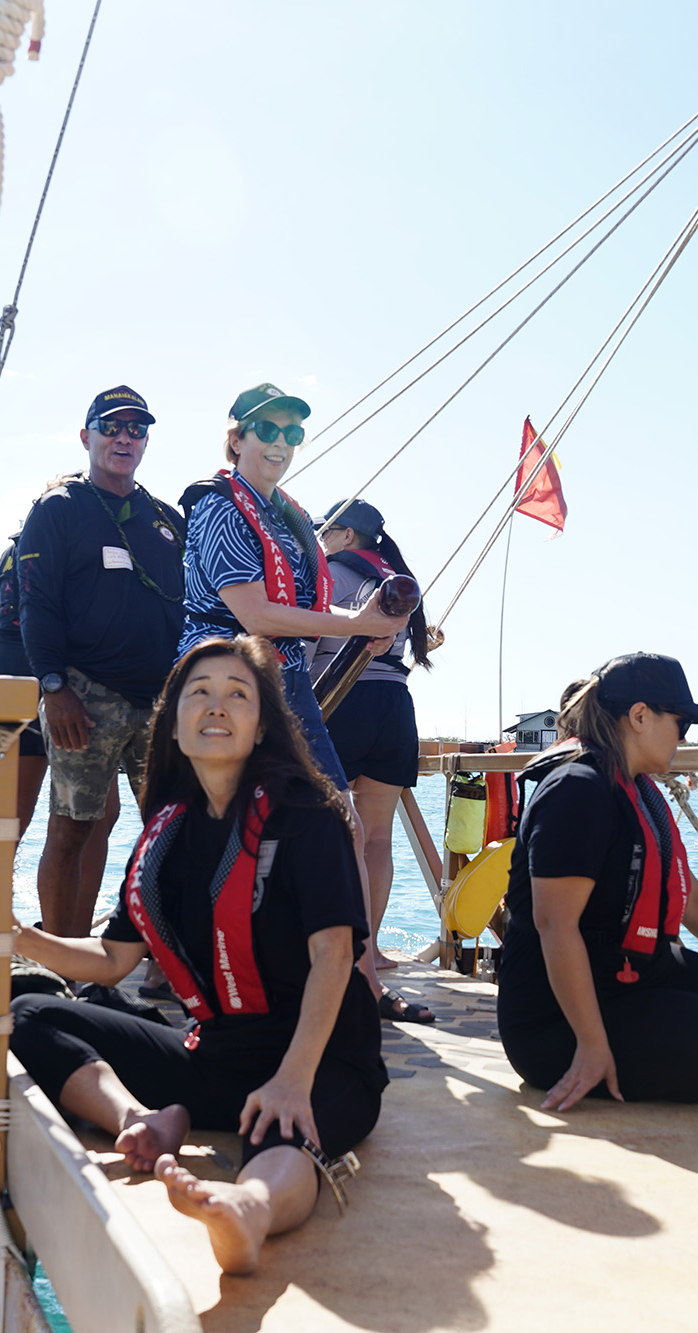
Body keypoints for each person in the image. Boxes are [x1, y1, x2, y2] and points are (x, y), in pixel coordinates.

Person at [8, 636, 387, 1274]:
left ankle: (248, 1211)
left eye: (238, 695)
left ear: (262, 725)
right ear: (175, 723)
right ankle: (145, 1119)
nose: (217, 706)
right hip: (215, 1056)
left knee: (282, 1129)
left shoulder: (306, 814)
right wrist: (19, 937)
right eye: (200, 692)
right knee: (29, 1015)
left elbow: (334, 955)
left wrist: (293, 1081)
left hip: (322, 1060)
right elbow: (111, 959)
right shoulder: (165, 833)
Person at [176, 383, 426, 1021]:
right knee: (218, 825)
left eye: (293, 432)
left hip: (284, 686)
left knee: (334, 822)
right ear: (237, 439)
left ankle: (359, 983)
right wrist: (358, 628)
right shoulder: (217, 506)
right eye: (269, 430)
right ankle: (185, 969)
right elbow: (253, 611)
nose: (282, 443)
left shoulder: (287, 512)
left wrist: (364, 624)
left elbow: (306, 611)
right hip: (225, 684)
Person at [500, 653, 698, 1110]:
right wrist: (590, 1044)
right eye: (681, 723)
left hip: (640, 973)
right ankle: (609, 1045)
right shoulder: (576, 789)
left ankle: (657, 1032)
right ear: (640, 716)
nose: (684, 737)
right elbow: (555, 925)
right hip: (550, 1018)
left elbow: (692, 900)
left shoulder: (640, 789)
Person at [14, 386, 185, 935]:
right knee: (71, 832)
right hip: (84, 699)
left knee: (173, 834)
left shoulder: (165, 518)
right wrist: (54, 685)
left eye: (137, 430)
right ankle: (65, 968)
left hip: (160, 703)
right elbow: (35, 602)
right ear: (87, 437)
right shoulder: (59, 508)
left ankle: (163, 963)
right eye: (112, 428)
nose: (125, 439)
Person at [311, 498, 437, 971]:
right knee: (377, 836)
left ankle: (334, 949)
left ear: (345, 536)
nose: (319, 542)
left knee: (333, 833)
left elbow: (308, 644)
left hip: (341, 700)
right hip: (395, 708)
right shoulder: (397, 581)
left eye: (326, 533)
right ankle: (371, 950)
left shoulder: (329, 575)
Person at [0, 506, 117, 914]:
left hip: (10, 679)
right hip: (52, 682)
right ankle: (63, 941)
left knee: (9, 821)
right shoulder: (71, 546)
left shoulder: (12, 553)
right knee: (91, 816)